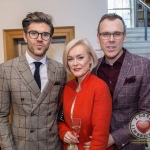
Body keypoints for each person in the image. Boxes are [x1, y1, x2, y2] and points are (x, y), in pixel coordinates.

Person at [0, 12, 66, 150]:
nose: (39, 39)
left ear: (50, 39)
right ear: (25, 36)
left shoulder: (60, 70)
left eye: (45, 34)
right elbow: (1, 115)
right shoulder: (7, 69)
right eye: (34, 33)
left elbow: (60, 110)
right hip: (22, 145)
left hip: (52, 144)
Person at [84, 13, 150, 150]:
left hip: (131, 145)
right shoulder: (92, 69)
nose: (111, 39)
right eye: (106, 34)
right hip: (96, 144)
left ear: (124, 37)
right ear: (98, 38)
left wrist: (112, 138)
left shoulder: (143, 66)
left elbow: (146, 115)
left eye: (117, 34)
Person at [58, 38, 113, 150]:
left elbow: (100, 134)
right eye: (70, 59)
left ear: (90, 59)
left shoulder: (99, 87)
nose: (75, 63)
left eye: (80, 58)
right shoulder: (67, 87)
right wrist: (64, 132)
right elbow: (60, 120)